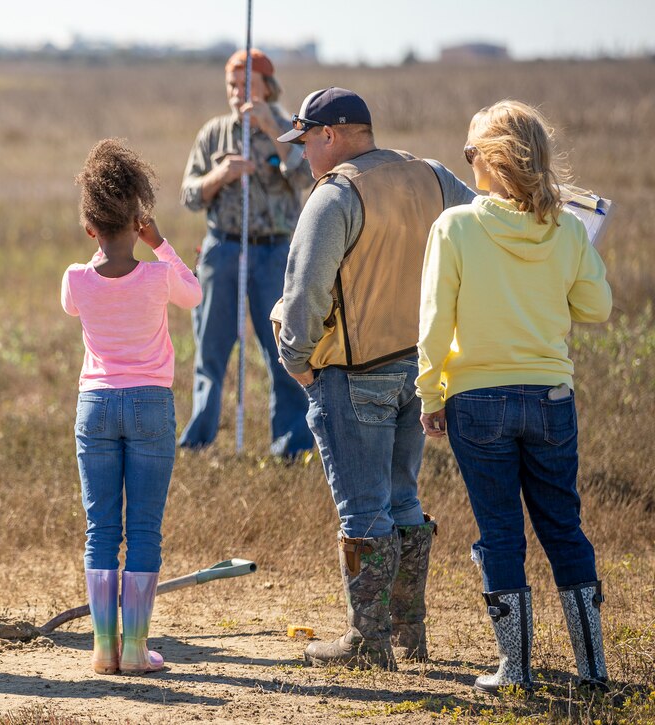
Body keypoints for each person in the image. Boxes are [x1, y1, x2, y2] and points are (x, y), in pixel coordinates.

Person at [274, 88, 475, 669]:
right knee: (404, 497)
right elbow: (484, 224)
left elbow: (306, 290)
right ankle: (411, 636)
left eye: (307, 140)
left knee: (363, 511)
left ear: (331, 136)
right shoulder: (434, 177)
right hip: (421, 365)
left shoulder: (334, 194)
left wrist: (296, 360)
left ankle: (366, 643)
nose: (304, 153)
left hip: (352, 371)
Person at [417, 100, 612, 692]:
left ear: (491, 161)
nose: (467, 161)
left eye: (471, 152)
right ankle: (594, 667)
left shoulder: (455, 227)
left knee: (499, 532)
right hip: (552, 396)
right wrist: (575, 252)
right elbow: (596, 308)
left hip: (475, 400)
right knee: (564, 528)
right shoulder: (570, 227)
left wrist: (430, 393)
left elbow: (434, 321)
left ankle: (515, 666)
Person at [62, 139, 202, 674]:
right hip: (150, 405)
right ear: (137, 219)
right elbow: (194, 295)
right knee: (143, 529)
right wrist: (160, 243)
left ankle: (103, 649)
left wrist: (101, 246)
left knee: (101, 529)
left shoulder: (76, 279)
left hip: (95, 405)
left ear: (91, 227)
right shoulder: (159, 274)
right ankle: (138, 648)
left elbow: (78, 296)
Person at [178, 48, 314, 458]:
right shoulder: (214, 133)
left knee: (283, 351)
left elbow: (307, 175)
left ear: (267, 88)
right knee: (210, 349)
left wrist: (271, 127)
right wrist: (221, 175)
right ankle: (198, 441)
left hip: (274, 253)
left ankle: (291, 445)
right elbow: (189, 196)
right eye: (232, 86)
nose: (238, 94)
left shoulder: (291, 128)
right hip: (222, 250)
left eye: (247, 86)